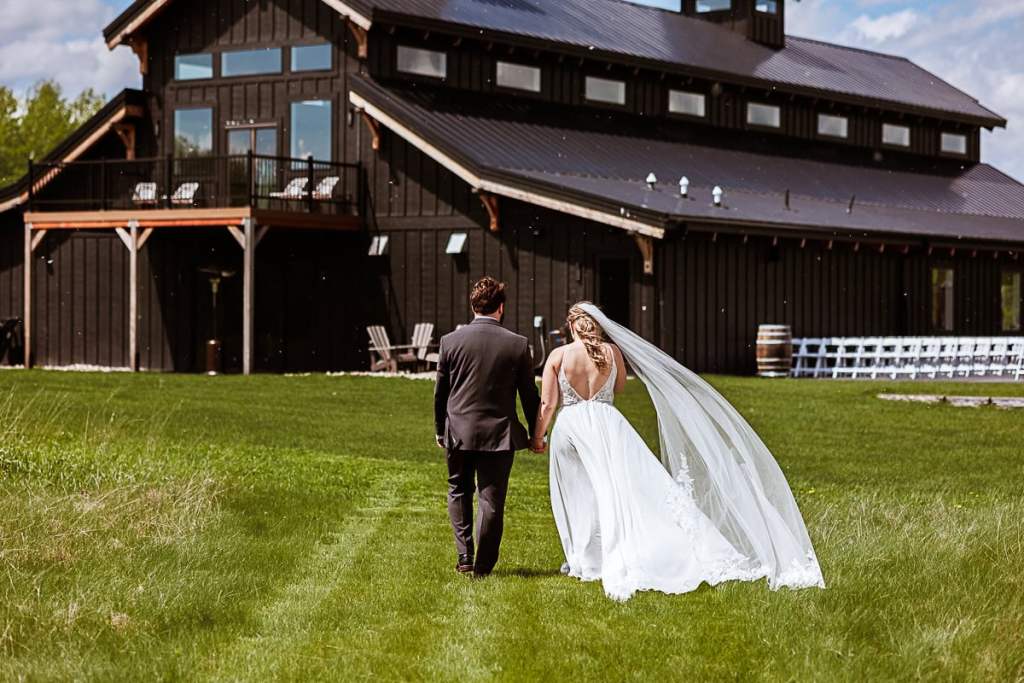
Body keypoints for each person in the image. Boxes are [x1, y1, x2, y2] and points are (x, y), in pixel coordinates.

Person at [531, 302, 825, 601]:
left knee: (579, 493)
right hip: (609, 425)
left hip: (573, 427)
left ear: (571, 326)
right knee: (620, 489)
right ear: (597, 325)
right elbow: (618, 388)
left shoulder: (559, 355)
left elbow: (548, 404)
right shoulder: (613, 353)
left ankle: (587, 560)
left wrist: (538, 436)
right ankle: (610, 553)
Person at [434, 276, 541, 577]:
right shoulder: (518, 345)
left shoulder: (450, 342)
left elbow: (440, 392)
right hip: (499, 435)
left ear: (472, 305)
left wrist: (440, 429)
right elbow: (529, 395)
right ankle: (483, 568)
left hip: (458, 431)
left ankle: (464, 556)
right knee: (491, 500)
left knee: (458, 490)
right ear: (501, 308)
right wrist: (536, 433)